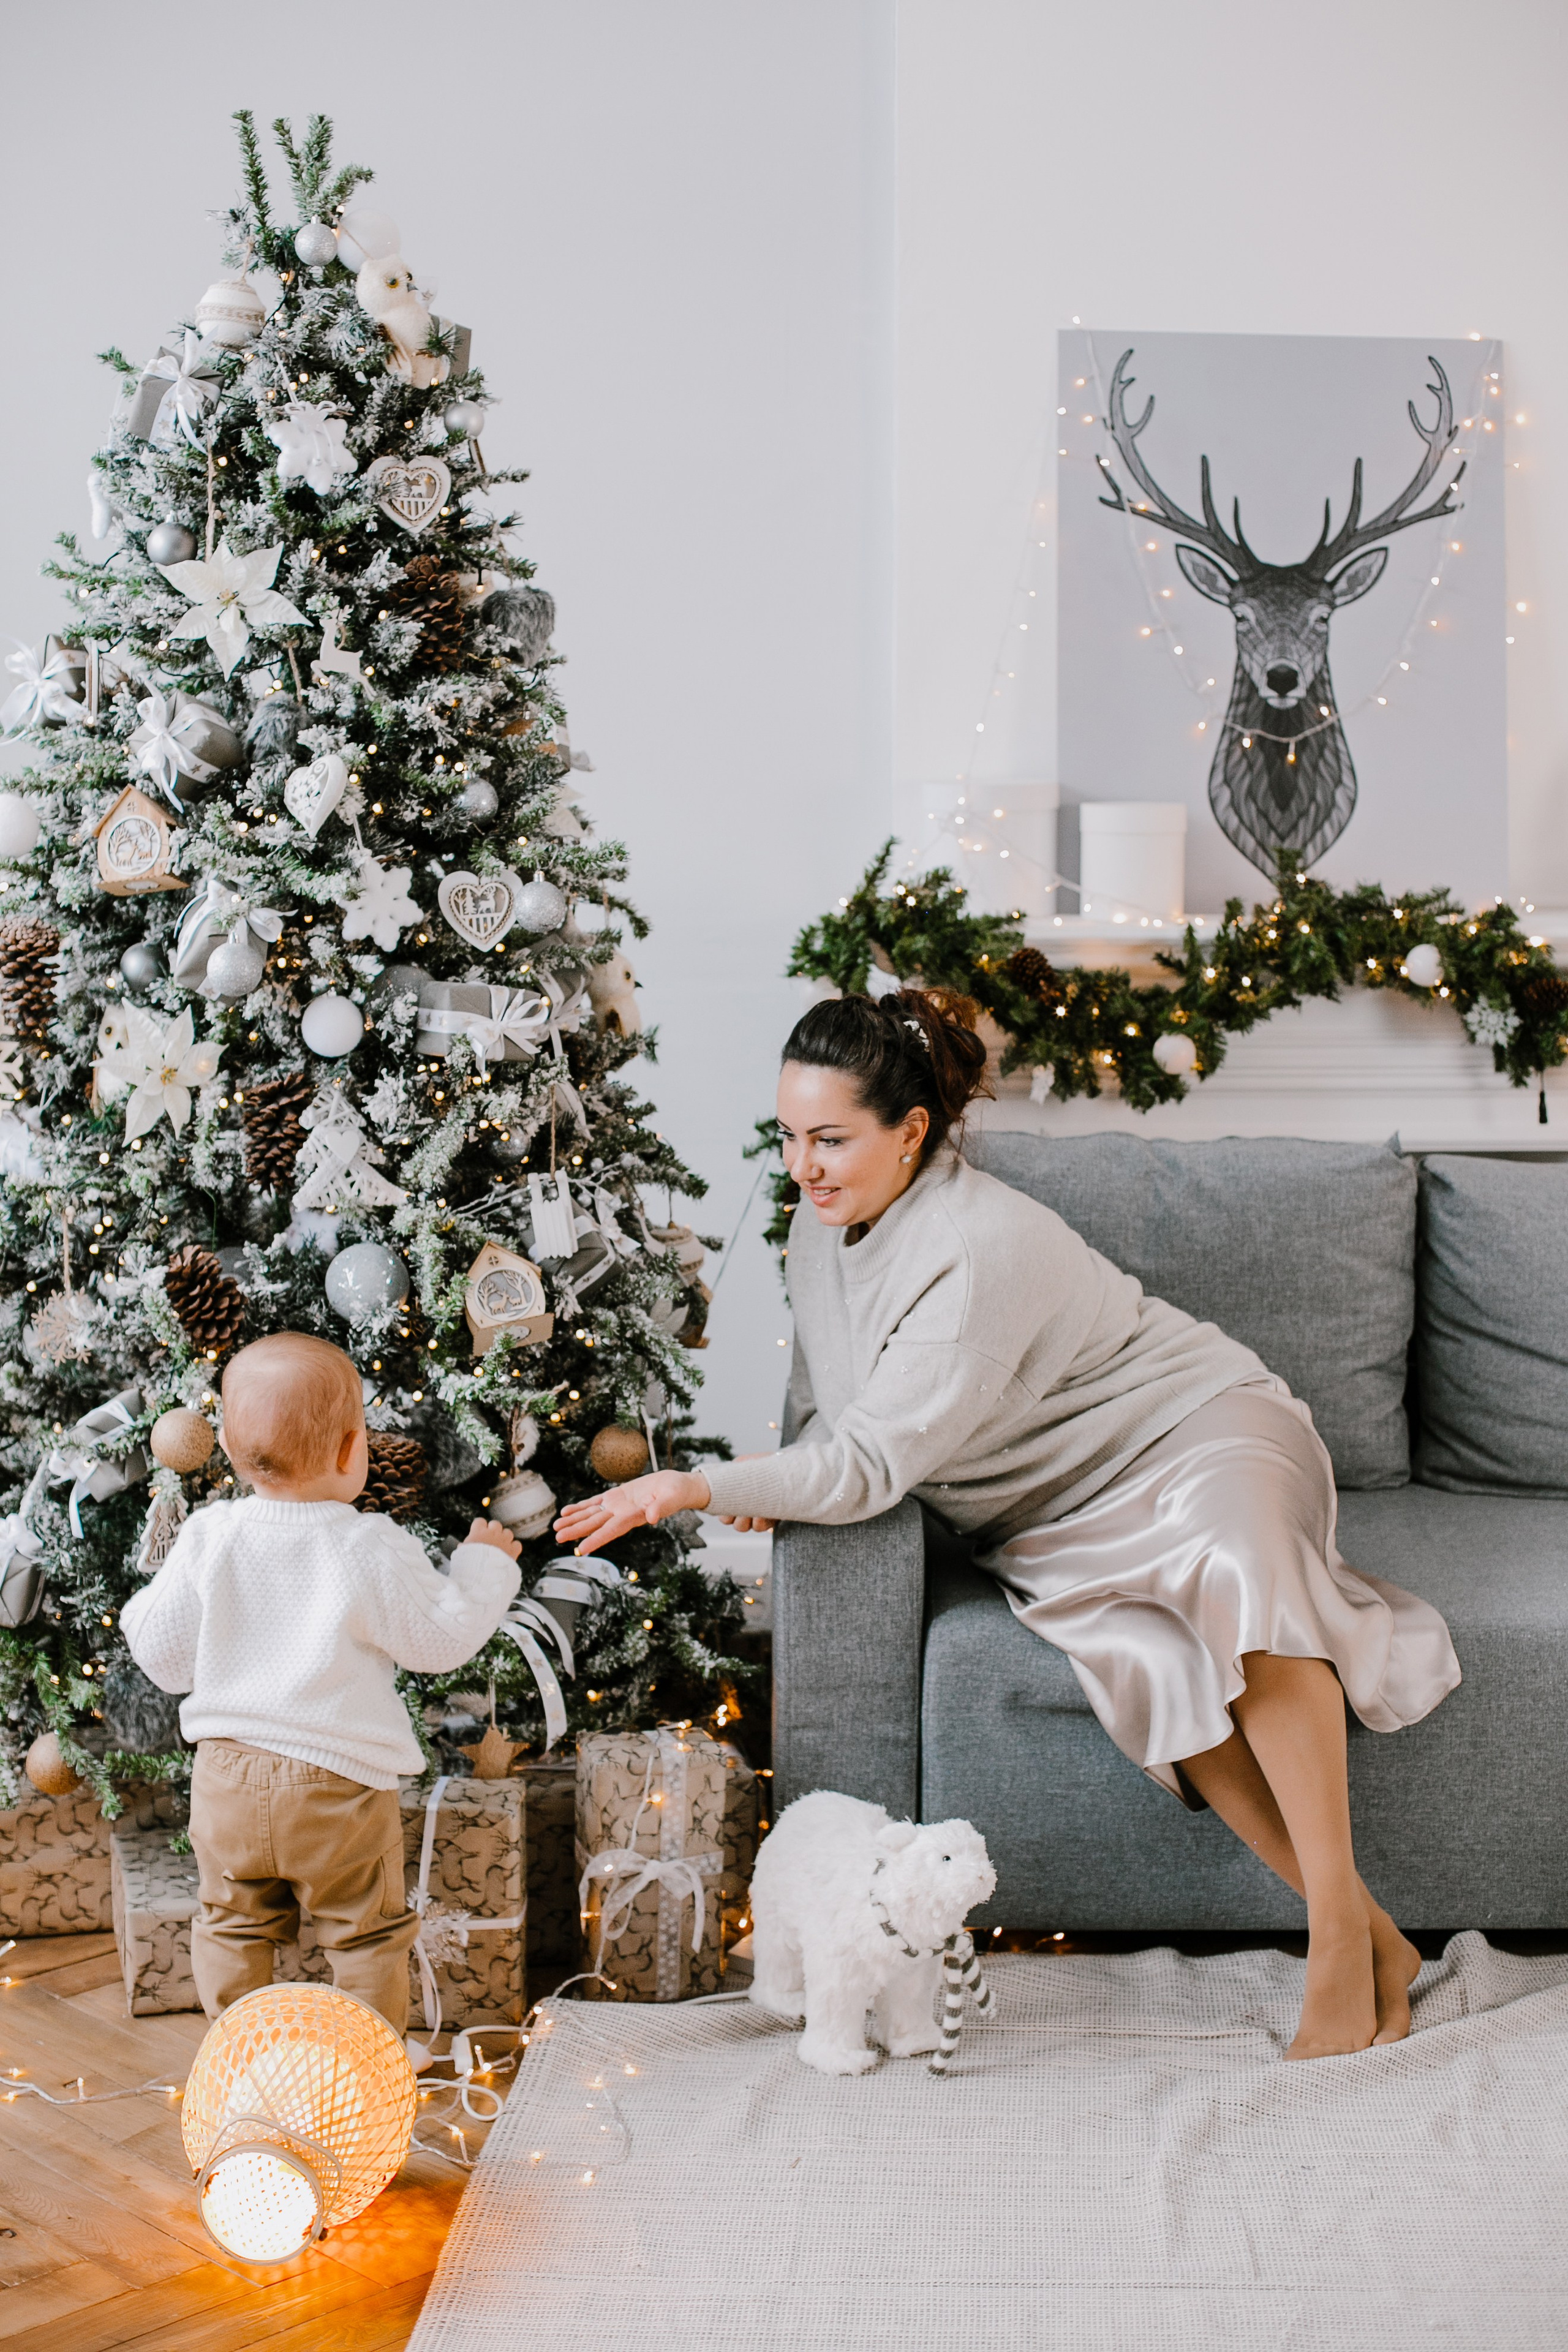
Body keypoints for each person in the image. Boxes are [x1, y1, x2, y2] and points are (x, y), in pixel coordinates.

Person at [556, 987, 1461, 2061]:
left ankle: (1329, 1944)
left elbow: (874, 1460)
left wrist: (693, 1486)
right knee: (1159, 1656)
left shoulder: (977, 1246)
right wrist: (777, 1476)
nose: (804, 1165)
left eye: (832, 1138)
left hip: (1197, 1430)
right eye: (791, 1136)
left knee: (1245, 1573)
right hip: (1053, 1512)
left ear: (912, 1133)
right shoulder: (824, 1225)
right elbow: (865, 1421)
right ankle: (1372, 1934)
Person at [123, 1331, 522, 2034]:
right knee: (366, 1935)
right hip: (338, 1783)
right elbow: (439, 1641)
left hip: (227, 1779)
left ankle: (240, 2066)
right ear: (349, 1450)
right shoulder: (366, 1544)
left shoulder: (211, 1537)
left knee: (230, 1925)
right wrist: (483, 1566)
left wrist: (139, 1606)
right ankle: (362, 2073)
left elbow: (161, 1655)